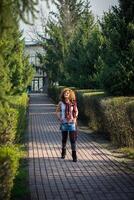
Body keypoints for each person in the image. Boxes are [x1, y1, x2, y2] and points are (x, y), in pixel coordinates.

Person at [56, 88, 78, 162]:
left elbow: (76, 111)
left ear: (70, 94)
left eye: (67, 93)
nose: (66, 94)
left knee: (73, 140)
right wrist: (60, 118)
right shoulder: (60, 103)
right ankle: (63, 153)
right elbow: (57, 111)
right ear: (63, 94)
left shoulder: (73, 103)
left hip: (72, 123)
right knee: (64, 139)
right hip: (64, 123)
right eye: (65, 93)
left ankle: (74, 156)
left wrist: (75, 118)